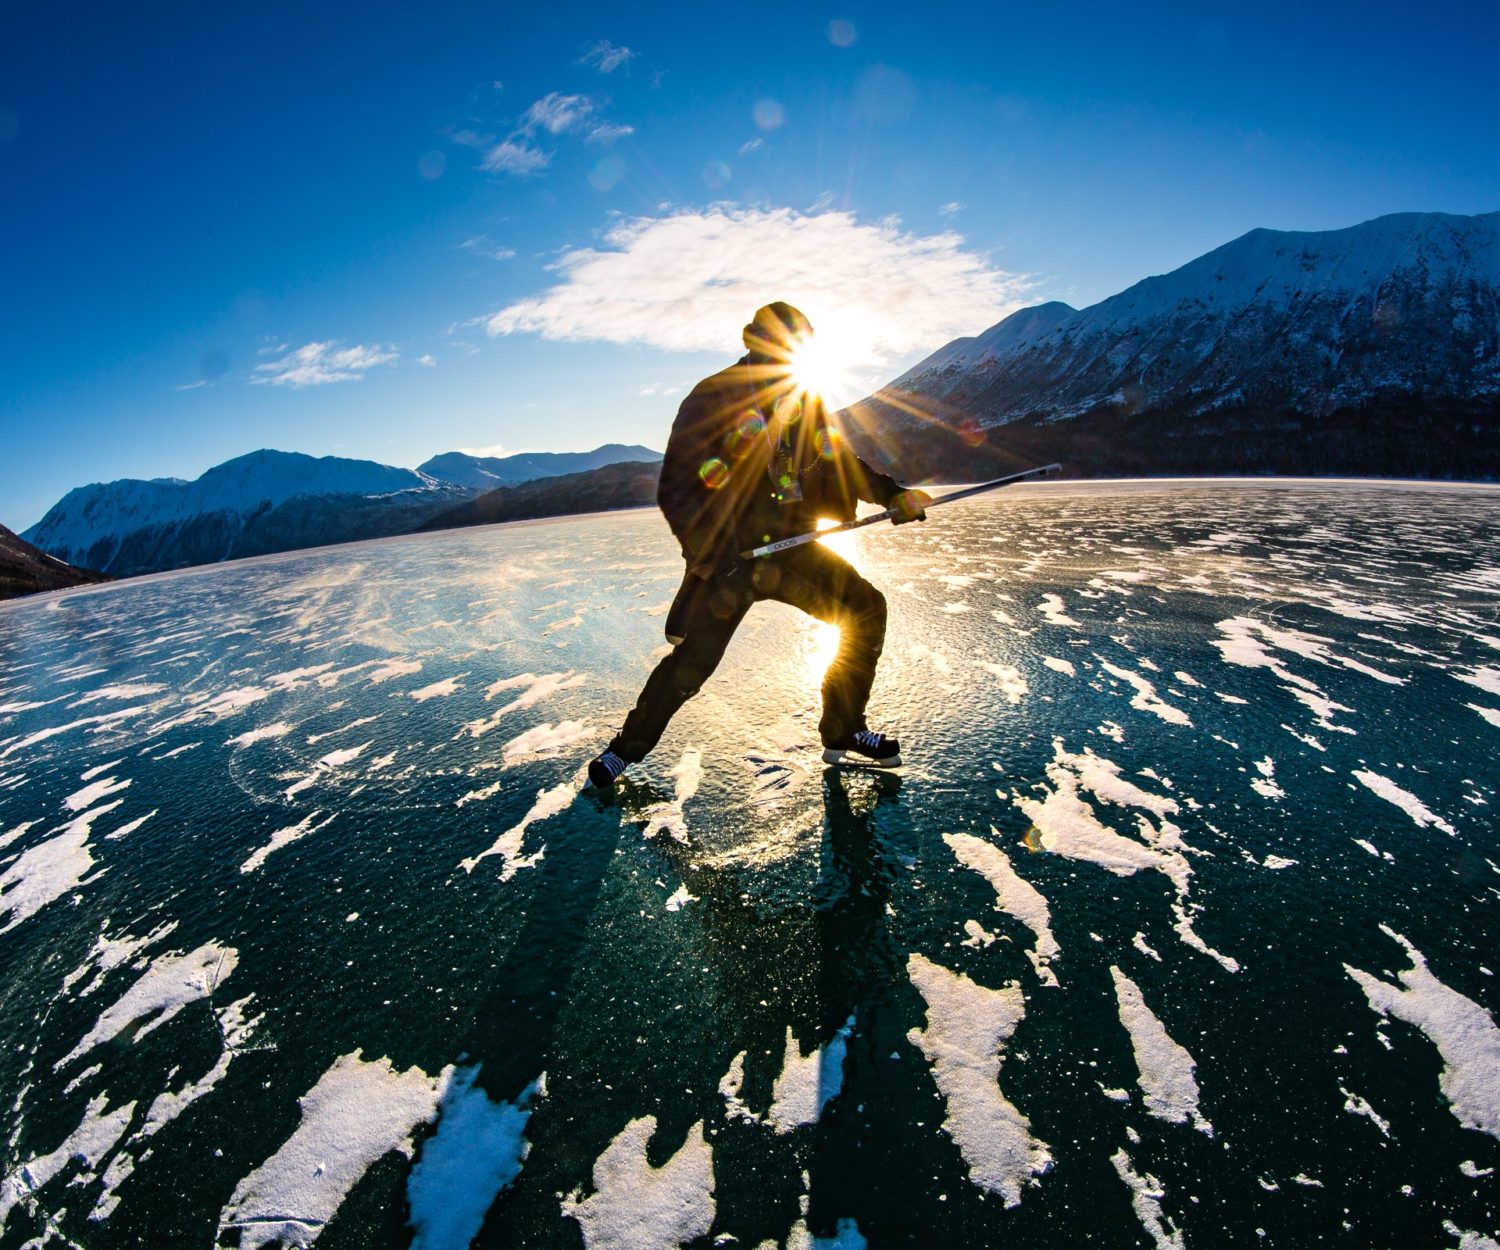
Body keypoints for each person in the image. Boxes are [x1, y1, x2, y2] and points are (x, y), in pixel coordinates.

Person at [588, 302, 932, 788]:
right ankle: (625, 750)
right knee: (693, 665)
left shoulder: (806, 399)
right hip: (730, 559)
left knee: (864, 608)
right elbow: (677, 488)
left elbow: (840, 460)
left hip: (793, 548)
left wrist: (892, 494)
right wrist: (712, 552)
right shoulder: (713, 398)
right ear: (754, 342)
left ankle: (842, 730)